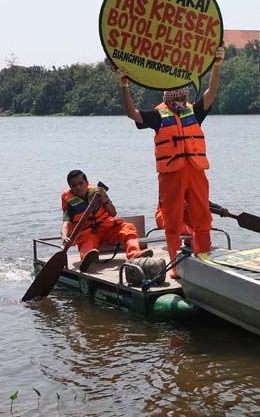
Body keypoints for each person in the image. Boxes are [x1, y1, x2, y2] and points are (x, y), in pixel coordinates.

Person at [114, 46, 224, 278]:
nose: (183, 95)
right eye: (180, 93)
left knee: (203, 218)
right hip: (171, 174)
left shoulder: (194, 111)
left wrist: (216, 65)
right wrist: (124, 85)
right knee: (172, 222)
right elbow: (132, 113)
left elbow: (211, 92)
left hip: (195, 171)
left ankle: (203, 260)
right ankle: (176, 268)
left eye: (184, 92)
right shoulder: (158, 115)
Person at [61, 170, 151, 272]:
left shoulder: (98, 192)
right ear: (70, 187)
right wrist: (64, 236)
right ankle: (86, 260)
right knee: (87, 241)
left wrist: (104, 199)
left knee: (128, 227)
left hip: (107, 228)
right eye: (74, 185)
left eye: (81, 183)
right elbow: (66, 222)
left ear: (86, 183)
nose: (78, 187)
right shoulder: (69, 202)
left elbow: (113, 213)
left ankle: (134, 255)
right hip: (89, 233)